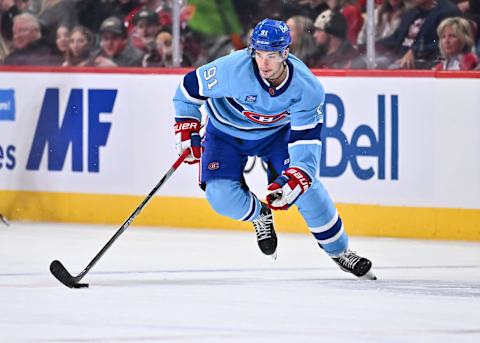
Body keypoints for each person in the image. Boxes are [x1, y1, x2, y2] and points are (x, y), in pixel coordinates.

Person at [172, 18, 376, 280]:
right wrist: (186, 126)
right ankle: (260, 215)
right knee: (220, 197)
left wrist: (299, 174)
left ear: (285, 53)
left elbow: (306, 141)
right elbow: (186, 91)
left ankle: (340, 251)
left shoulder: (307, 88)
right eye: (258, 54)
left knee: (306, 188)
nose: (264, 63)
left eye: (271, 55)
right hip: (224, 133)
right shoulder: (231, 69)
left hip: (276, 135)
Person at [376, 0, 460, 69]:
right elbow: (394, 39)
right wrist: (369, 47)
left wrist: (415, 51)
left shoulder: (447, 11)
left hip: (425, 62)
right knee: (367, 61)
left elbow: (443, 42)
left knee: (383, 66)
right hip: (397, 57)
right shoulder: (411, 12)